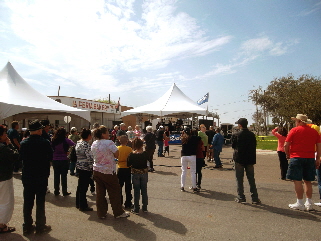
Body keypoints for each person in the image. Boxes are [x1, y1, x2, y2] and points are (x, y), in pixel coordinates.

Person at [20, 120, 53, 234]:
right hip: (41, 175)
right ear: (39, 130)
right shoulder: (45, 142)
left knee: (28, 201)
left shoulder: (24, 143)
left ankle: (27, 225)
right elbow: (50, 156)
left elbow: (21, 159)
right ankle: (40, 225)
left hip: (28, 175)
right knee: (40, 201)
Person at [91, 126, 130, 219]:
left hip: (97, 170)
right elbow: (117, 153)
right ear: (103, 134)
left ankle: (101, 213)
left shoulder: (94, 143)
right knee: (114, 192)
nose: (109, 134)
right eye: (107, 132)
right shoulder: (109, 143)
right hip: (108, 170)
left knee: (100, 193)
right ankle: (118, 212)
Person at [284, 114, 321, 211]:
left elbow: (286, 144)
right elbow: (318, 146)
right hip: (310, 157)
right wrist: (317, 158)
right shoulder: (314, 132)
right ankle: (309, 202)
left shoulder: (294, 130)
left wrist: (287, 154)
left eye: (296, 121)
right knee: (308, 181)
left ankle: (299, 202)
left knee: (297, 181)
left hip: (296, 157)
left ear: (299, 121)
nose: (295, 122)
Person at [232, 118, 261, 204]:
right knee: (251, 179)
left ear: (240, 125)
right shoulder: (252, 134)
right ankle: (255, 198)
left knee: (239, 179)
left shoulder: (236, 134)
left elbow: (233, 146)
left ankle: (241, 196)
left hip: (239, 158)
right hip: (250, 159)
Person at [0, 125, 19, 234]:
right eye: (4, 134)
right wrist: (10, 144)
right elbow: (15, 156)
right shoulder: (3, 148)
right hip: (3, 178)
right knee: (5, 201)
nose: (6, 135)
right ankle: (2, 225)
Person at [127, 138, 149, 214]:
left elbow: (128, 164)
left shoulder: (132, 154)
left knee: (136, 191)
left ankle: (136, 208)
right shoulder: (145, 153)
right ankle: (145, 207)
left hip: (135, 173)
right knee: (144, 190)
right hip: (144, 173)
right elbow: (149, 161)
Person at [51, 127, 75, 196]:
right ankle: (64, 191)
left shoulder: (53, 140)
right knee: (64, 177)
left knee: (56, 176)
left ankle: (56, 191)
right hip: (64, 159)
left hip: (55, 159)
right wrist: (68, 151)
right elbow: (74, 145)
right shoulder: (66, 140)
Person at [75, 129, 94, 211]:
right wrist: (92, 168)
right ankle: (83, 205)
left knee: (80, 186)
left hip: (79, 166)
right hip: (86, 167)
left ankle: (78, 203)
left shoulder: (78, 143)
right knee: (84, 187)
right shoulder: (87, 145)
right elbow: (89, 158)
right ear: (88, 136)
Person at [180, 127, 200, 193]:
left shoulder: (183, 138)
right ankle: (194, 187)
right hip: (192, 155)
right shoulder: (194, 138)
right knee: (193, 172)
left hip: (184, 155)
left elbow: (182, 136)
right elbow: (199, 138)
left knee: (183, 171)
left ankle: (182, 186)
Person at [117, 135, 133, 208]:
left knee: (119, 186)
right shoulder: (129, 149)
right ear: (127, 142)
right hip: (127, 168)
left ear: (119, 141)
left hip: (120, 167)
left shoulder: (117, 148)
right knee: (128, 186)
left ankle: (119, 202)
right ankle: (128, 202)